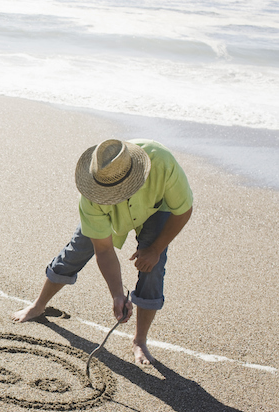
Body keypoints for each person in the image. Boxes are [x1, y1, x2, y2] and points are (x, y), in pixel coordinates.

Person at [11, 139, 193, 365]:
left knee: (153, 267)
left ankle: (140, 340)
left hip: (157, 209)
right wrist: (117, 295)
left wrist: (155, 249)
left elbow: (183, 211)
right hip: (104, 214)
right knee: (76, 251)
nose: (117, 196)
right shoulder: (92, 194)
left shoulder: (163, 163)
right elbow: (104, 250)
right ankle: (38, 305)